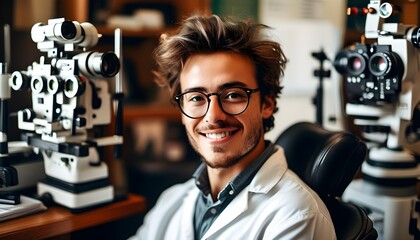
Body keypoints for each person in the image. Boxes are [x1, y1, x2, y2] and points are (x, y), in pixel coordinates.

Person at [129, 14, 336, 240]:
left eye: (233, 95)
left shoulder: (296, 215)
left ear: (266, 104)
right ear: (181, 111)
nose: (214, 116)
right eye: (196, 98)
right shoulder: (172, 201)